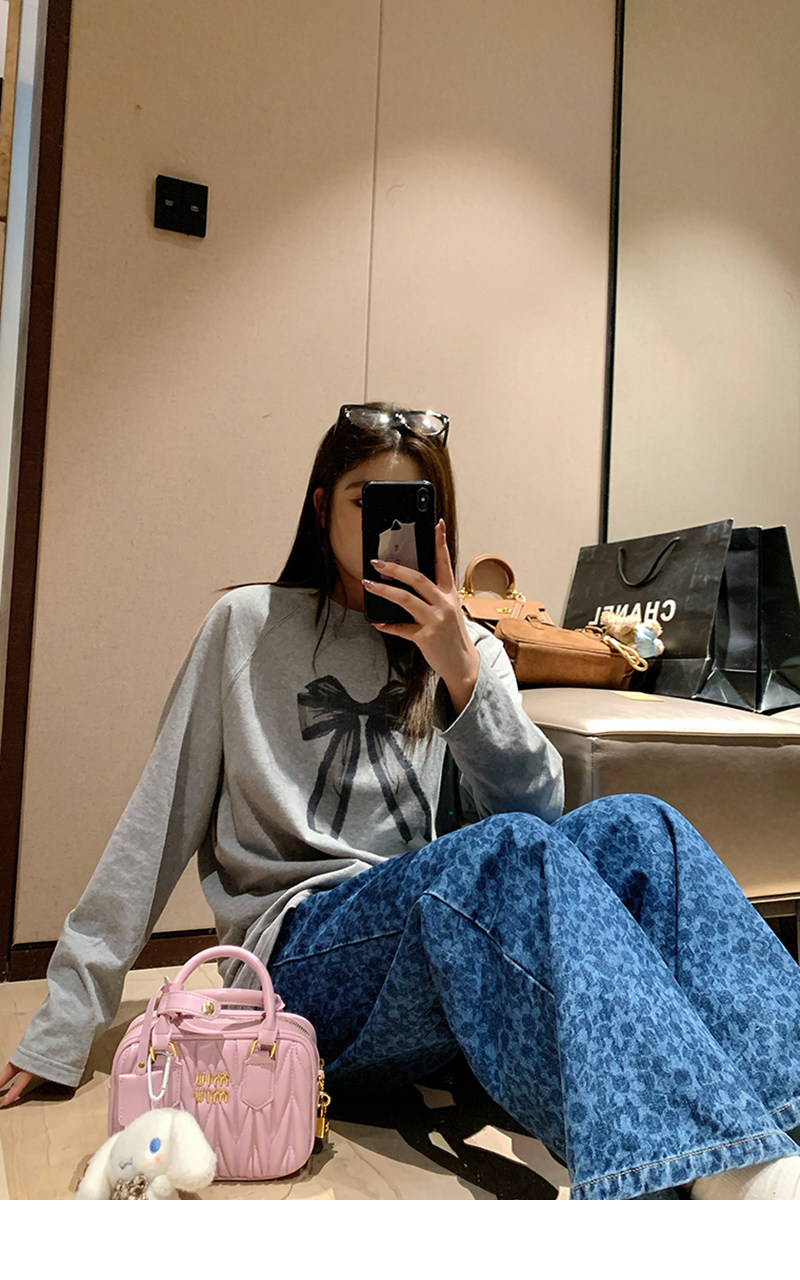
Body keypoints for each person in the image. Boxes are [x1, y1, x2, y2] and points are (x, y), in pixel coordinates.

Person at [2, 402, 800, 1202]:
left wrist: (460, 670)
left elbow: (542, 821)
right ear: (323, 507)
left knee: (642, 827)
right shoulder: (246, 626)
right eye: (365, 503)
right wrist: (65, 1020)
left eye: (410, 510)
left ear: (437, 525)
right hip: (297, 964)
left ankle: (781, 1129)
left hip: (426, 963)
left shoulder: (467, 647)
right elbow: (158, 819)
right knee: (503, 852)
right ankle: (711, 1173)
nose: (386, 532)